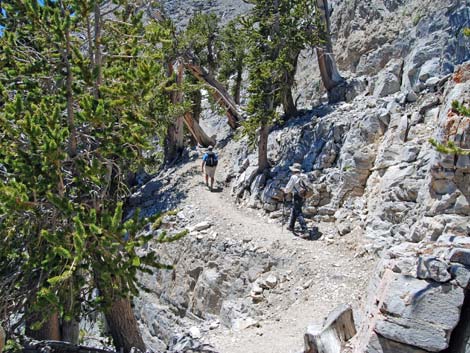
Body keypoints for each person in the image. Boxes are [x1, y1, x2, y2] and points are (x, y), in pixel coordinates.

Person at [282, 162, 309, 235]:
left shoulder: (293, 177)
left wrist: (284, 190)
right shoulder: (304, 176)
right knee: (295, 209)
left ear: (294, 170)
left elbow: (288, 189)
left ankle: (305, 230)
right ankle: (291, 226)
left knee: (298, 212)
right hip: (304, 195)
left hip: (297, 195)